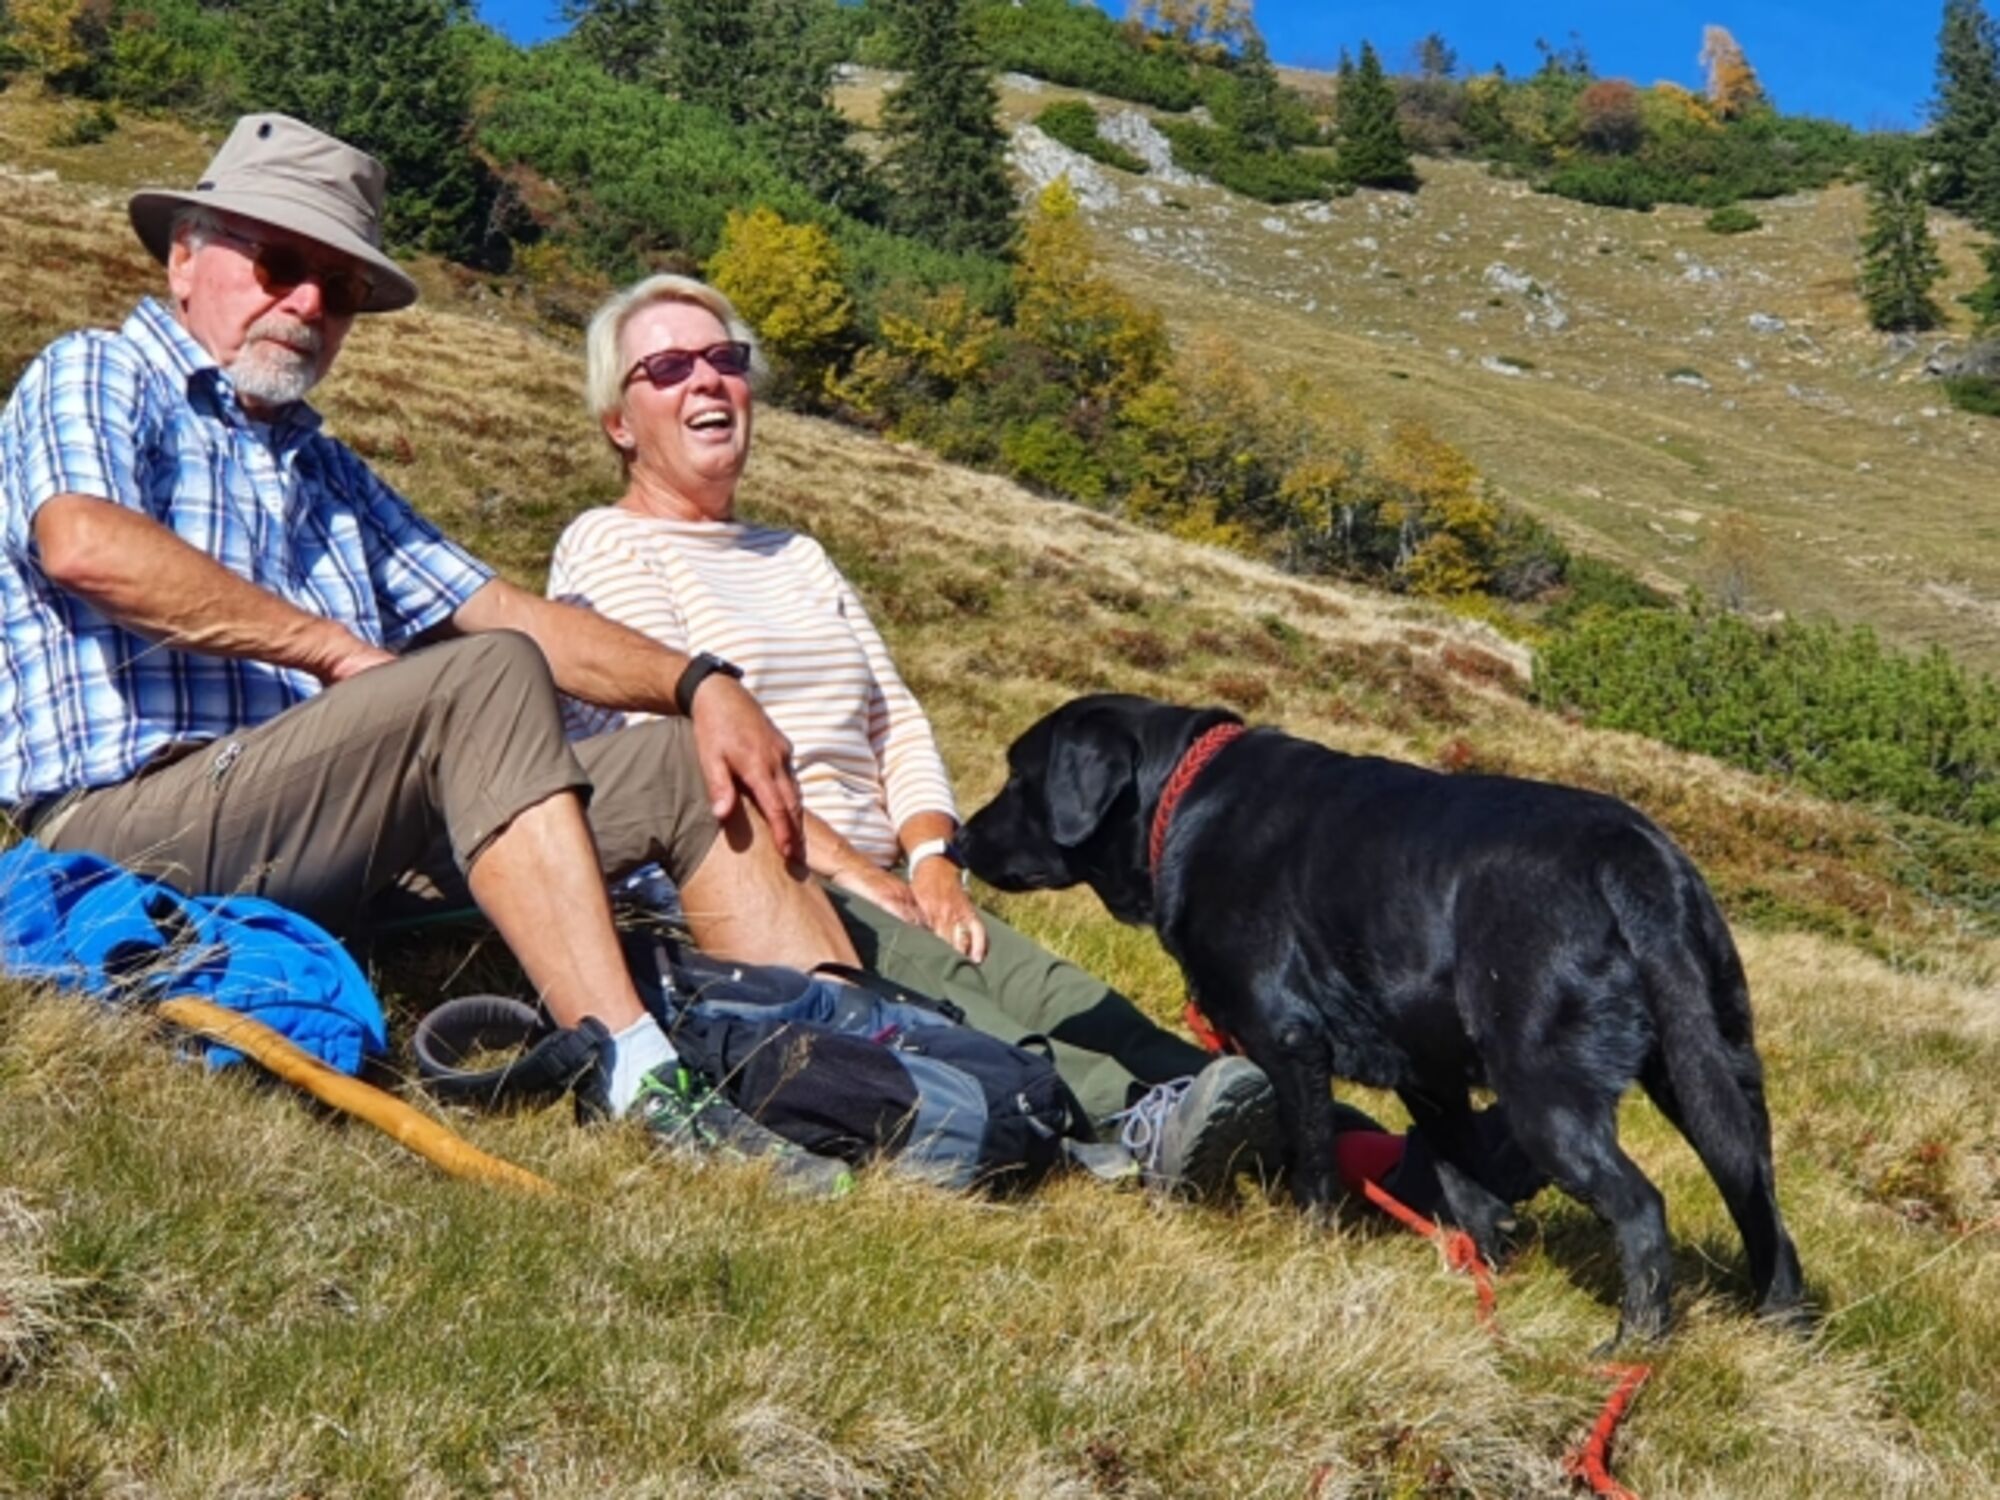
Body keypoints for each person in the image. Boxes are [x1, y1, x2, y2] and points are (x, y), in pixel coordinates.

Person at [0, 114, 873, 1189]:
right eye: (278, 265)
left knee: (670, 763)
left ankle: (872, 1070)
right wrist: (330, 649)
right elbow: (83, 542)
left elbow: (504, 607)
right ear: (185, 258)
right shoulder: (101, 371)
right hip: (129, 825)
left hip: (323, 832)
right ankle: (637, 1076)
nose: (308, 304)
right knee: (482, 677)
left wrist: (698, 686)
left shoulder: (323, 467)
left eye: (340, 287)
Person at [545, 273, 1286, 1194]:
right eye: (666, 368)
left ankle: (1323, 1139)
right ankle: (1138, 1124)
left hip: (882, 874)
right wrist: (856, 876)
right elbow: (681, 762)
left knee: (1075, 999)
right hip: (764, 877)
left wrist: (933, 861)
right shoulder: (608, 546)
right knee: (974, 1006)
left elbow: (893, 717)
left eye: (724, 358)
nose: (706, 380)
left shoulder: (796, 555)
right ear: (619, 423)